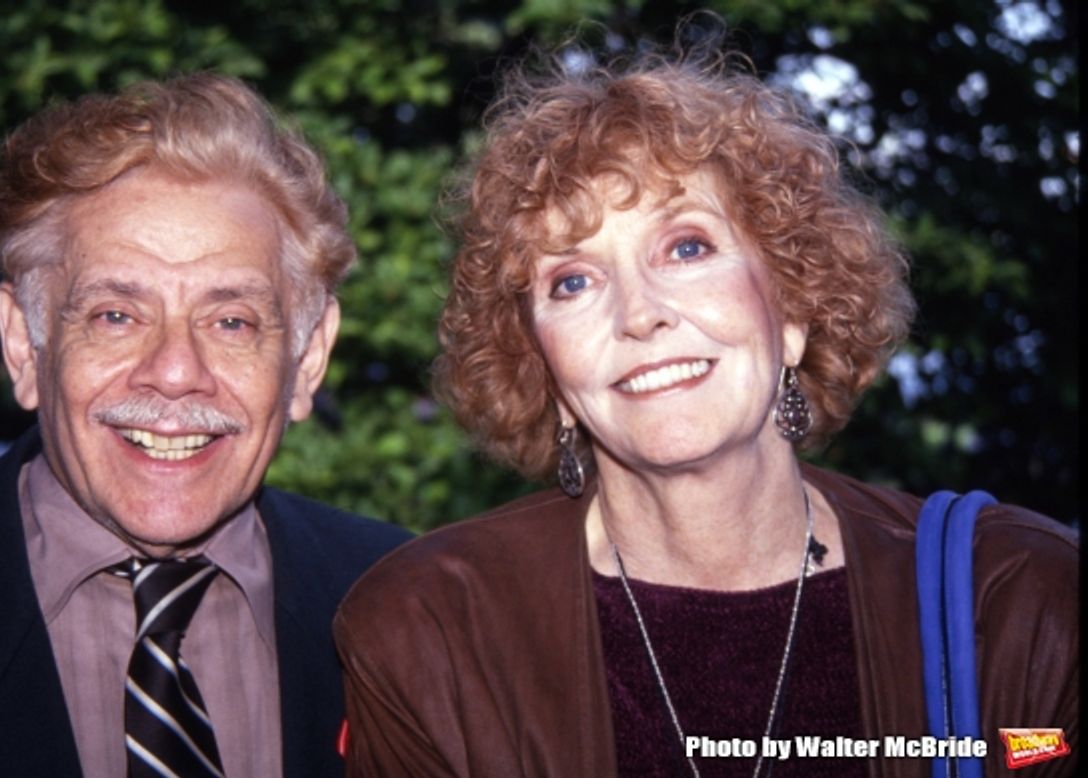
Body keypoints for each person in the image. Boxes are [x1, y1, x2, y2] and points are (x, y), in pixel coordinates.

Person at [334, 40, 1079, 777]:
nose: (639, 314)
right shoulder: (430, 636)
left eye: (686, 248)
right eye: (573, 282)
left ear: (793, 309)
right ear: (543, 367)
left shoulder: (1017, 605)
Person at [0, 73, 409, 777]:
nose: (174, 371)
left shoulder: (409, 606)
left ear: (308, 357)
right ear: (23, 344)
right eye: (116, 316)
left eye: (231, 322)